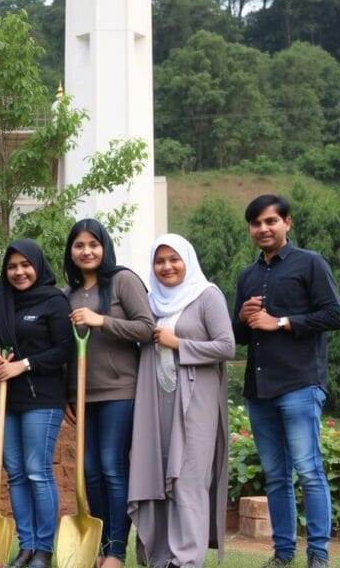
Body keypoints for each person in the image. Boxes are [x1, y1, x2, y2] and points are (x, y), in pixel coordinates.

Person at [232, 195, 340, 568]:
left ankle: (319, 555)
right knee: (276, 475)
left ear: (286, 224)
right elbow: (240, 338)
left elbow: (333, 313)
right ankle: (282, 554)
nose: (263, 228)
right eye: (256, 223)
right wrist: (245, 318)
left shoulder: (309, 263)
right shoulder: (247, 276)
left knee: (309, 471)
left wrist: (281, 321)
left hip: (299, 383)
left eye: (270, 221)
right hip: (259, 390)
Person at [128, 234, 235, 568]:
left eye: (174, 259)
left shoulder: (206, 296)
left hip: (195, 404)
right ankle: (161, 556)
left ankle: (186, 559)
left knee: (187, 479)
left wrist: (178, 343)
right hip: (157, 401)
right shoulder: (151, 301)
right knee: (157, 477)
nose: (166, 267)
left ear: (187, 260)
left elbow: (226, 346)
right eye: (159, 261)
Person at [63, 218, 155, 568]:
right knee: (88, 471)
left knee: (111, 467)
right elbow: (64, 349)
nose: (86, 251)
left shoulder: (123, 281)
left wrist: (102, 321)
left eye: (93, 244)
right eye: (79, 245)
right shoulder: (66, 294)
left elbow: (147, 328)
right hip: (82, 395)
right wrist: (65, 394)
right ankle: (100, 546)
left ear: (104, 247)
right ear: (70, 252)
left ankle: (116, 550)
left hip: (120, 390)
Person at [0, 239, 73, 568]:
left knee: (38, 472)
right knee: (16, 474)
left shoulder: (53, 301)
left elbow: (64, 350)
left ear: (38, 266)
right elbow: (0, 342)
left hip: (42, 398)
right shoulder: (4, 301)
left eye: (25, 265)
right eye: (12, 266)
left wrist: (23, 364)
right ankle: (26, 547)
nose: (19, 272)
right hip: (4, 398)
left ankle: (44, 549)